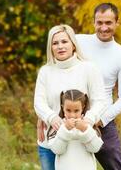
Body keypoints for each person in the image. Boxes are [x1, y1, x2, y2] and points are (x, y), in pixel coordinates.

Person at [34, 24, 107, 170]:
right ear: (51, 48)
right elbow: (39, 102)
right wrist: (51, 118)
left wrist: (88, 120)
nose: (60, 46)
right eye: (55, 43)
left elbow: (100, 100)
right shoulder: (45, 71)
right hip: (52, 141)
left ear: (73, 45)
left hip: (78, 142)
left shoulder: (89, 68)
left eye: (64, 42)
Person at [75, 2, 121, 170]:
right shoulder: (78, 42)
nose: (104, 27)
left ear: (117, 23)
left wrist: (100, 120)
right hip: (73, 117)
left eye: (108, 23)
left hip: (102, 122)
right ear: (94, 22)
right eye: (99, 22)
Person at [48, 89, 103, 170]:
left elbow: (95, 148)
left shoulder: (88, 125)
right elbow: (57, 150)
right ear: (63, 107)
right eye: (68, 110)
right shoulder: (58, 125)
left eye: (76, 111)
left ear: (83, 107)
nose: (72, 115)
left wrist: (85, 129)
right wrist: (65, 129)